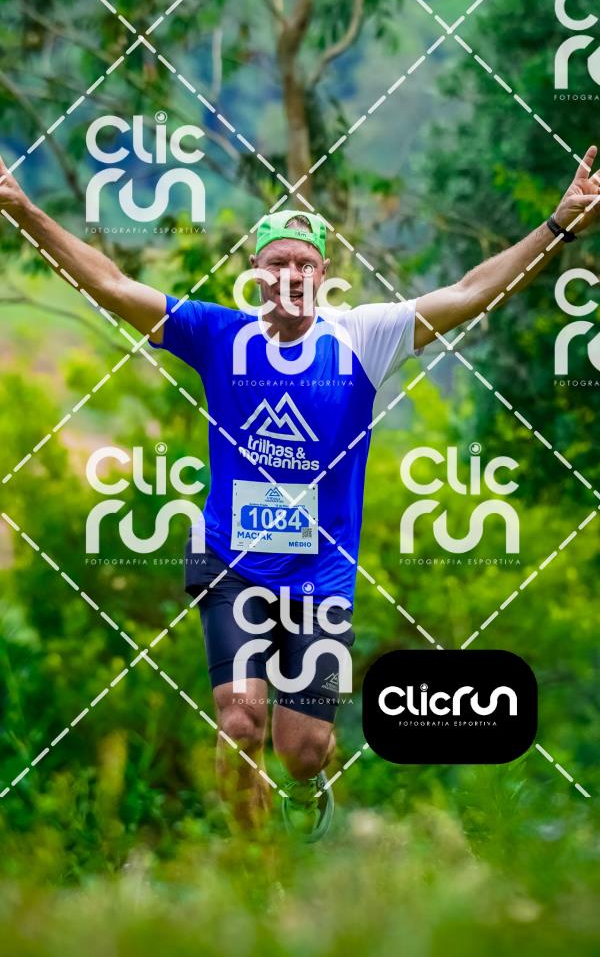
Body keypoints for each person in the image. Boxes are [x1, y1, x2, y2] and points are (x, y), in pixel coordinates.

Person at [1, 146, 599, 841]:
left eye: (304, 264)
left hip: (320, 577)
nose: (290, 275)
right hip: (230, 562)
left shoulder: (363, 338)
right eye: (277, 262)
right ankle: (259, 875)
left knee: (301, 751)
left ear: (323, 275)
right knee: (239, 721)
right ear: (255, 272)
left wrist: (557, 227)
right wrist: (24, 210)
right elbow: (109, 283)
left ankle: (311, 788)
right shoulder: (217, 335)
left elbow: (470, 292)